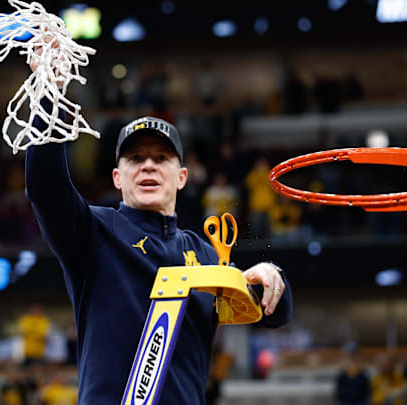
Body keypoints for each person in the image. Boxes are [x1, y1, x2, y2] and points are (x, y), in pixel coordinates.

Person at [24, 39, 292, 404]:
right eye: (135, 158)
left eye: (160, 157)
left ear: (182, 176)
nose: (148, 165)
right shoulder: (93, 232)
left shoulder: (206, 254)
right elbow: (43, 186)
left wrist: (270, 274)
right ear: (118, 178)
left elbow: (275, 315)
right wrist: (49, 94)